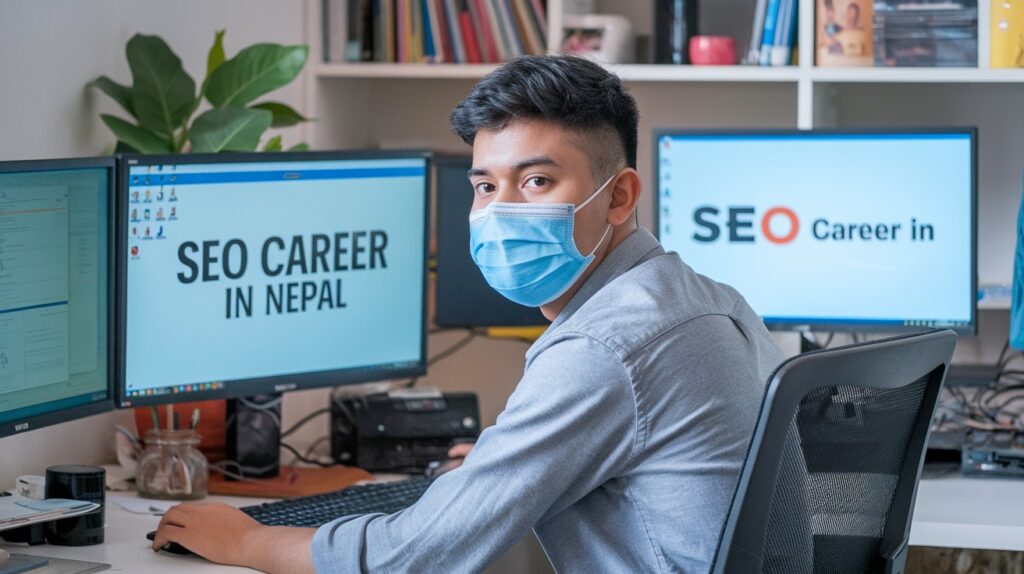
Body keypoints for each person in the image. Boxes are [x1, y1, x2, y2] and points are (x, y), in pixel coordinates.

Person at [152, 55, 804, 573]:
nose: (501, 210)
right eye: (486, 185)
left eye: (538, 181)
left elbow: (415, 557)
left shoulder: (606, 347)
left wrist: (247, 542)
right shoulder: (707, 297)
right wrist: (495, 471)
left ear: (620, 197)